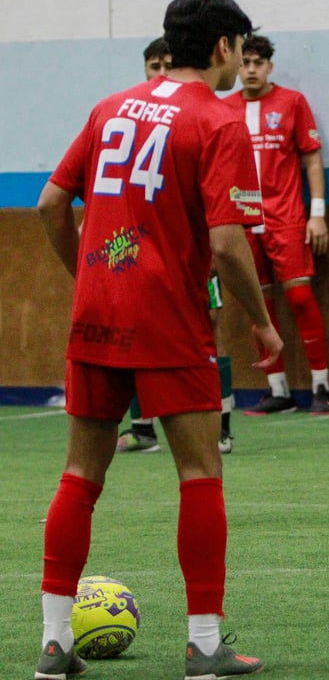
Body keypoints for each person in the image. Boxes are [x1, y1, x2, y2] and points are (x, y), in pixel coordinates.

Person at [35, 0, 281, 680]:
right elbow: (229, 245)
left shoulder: (110, 105)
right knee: (200, 473)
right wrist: (262, 324)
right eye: (240, 47)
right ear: (225, 47)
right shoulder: (220, 119)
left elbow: (52, 204)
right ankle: (205, 645)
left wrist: (81, 273)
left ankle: (56, 644)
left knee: (80, 474)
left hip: (98, 310)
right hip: (169, 318)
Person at [119, 37, 240, 455]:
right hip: (140, 258)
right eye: (152, 65)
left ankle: (221, 424)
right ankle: (143, 426)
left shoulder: (202, 120)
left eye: (165, 64)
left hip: (192, 259)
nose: (159, 71)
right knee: (135, 333)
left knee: (211, 328)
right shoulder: (133, 121)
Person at [224, 34, 329, 414]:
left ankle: (321, 387)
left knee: (301, 298)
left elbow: (312, 159)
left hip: (286, 217)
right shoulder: (222, 108)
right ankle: (279, 390)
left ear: (269, 66)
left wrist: (317, 213)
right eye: (245, 62)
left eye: (258, 62)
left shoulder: (292, 103)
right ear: (236, 66)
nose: (251, 69)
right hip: (239, 222)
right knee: (260, 306)